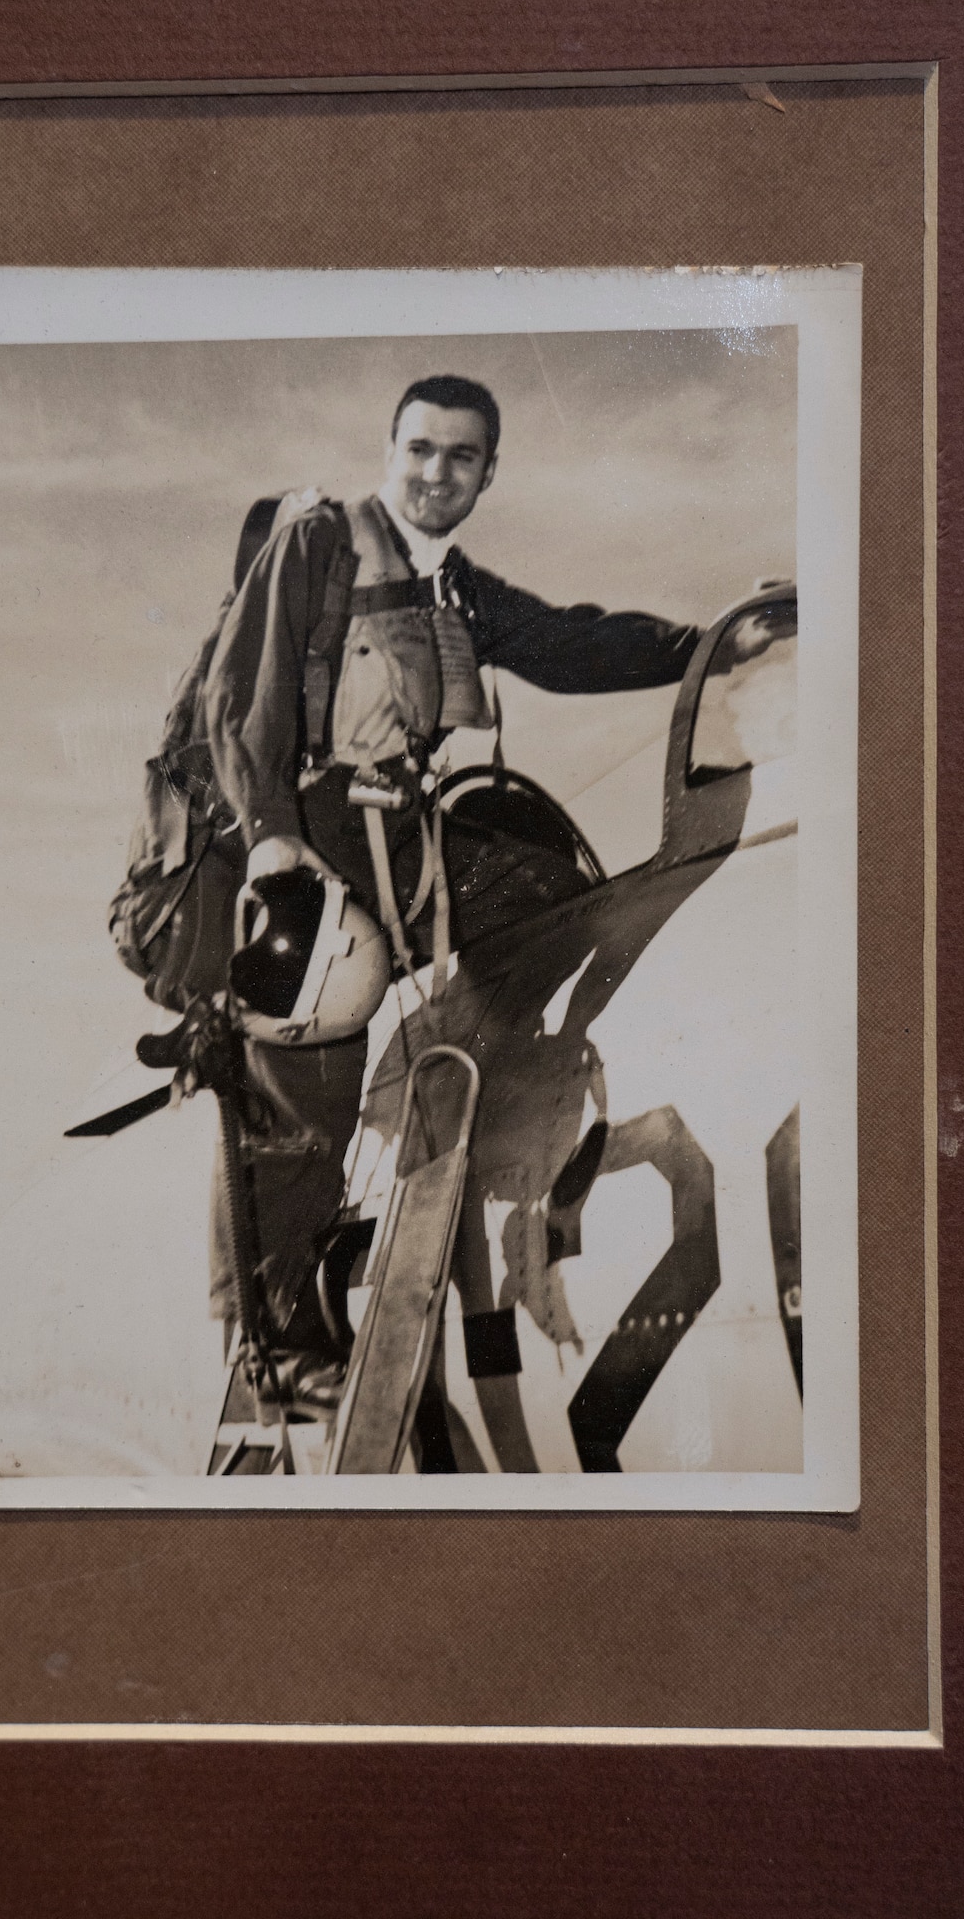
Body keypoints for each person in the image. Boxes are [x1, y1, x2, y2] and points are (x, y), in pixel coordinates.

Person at [113, 375, 701, 1415]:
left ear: (486, 471)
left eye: (462, 456)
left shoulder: (452, 587)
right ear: (390, 452)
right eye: (421, 450)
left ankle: (496, 1089)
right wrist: (274, 850)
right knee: (312, 1067)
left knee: (542, 880)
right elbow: (236, 700)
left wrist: (701, 647)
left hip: (389, 832)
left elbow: (570, 642)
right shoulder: (318, 543)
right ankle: (281, 1341)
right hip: (279, 841)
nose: (438, 473)